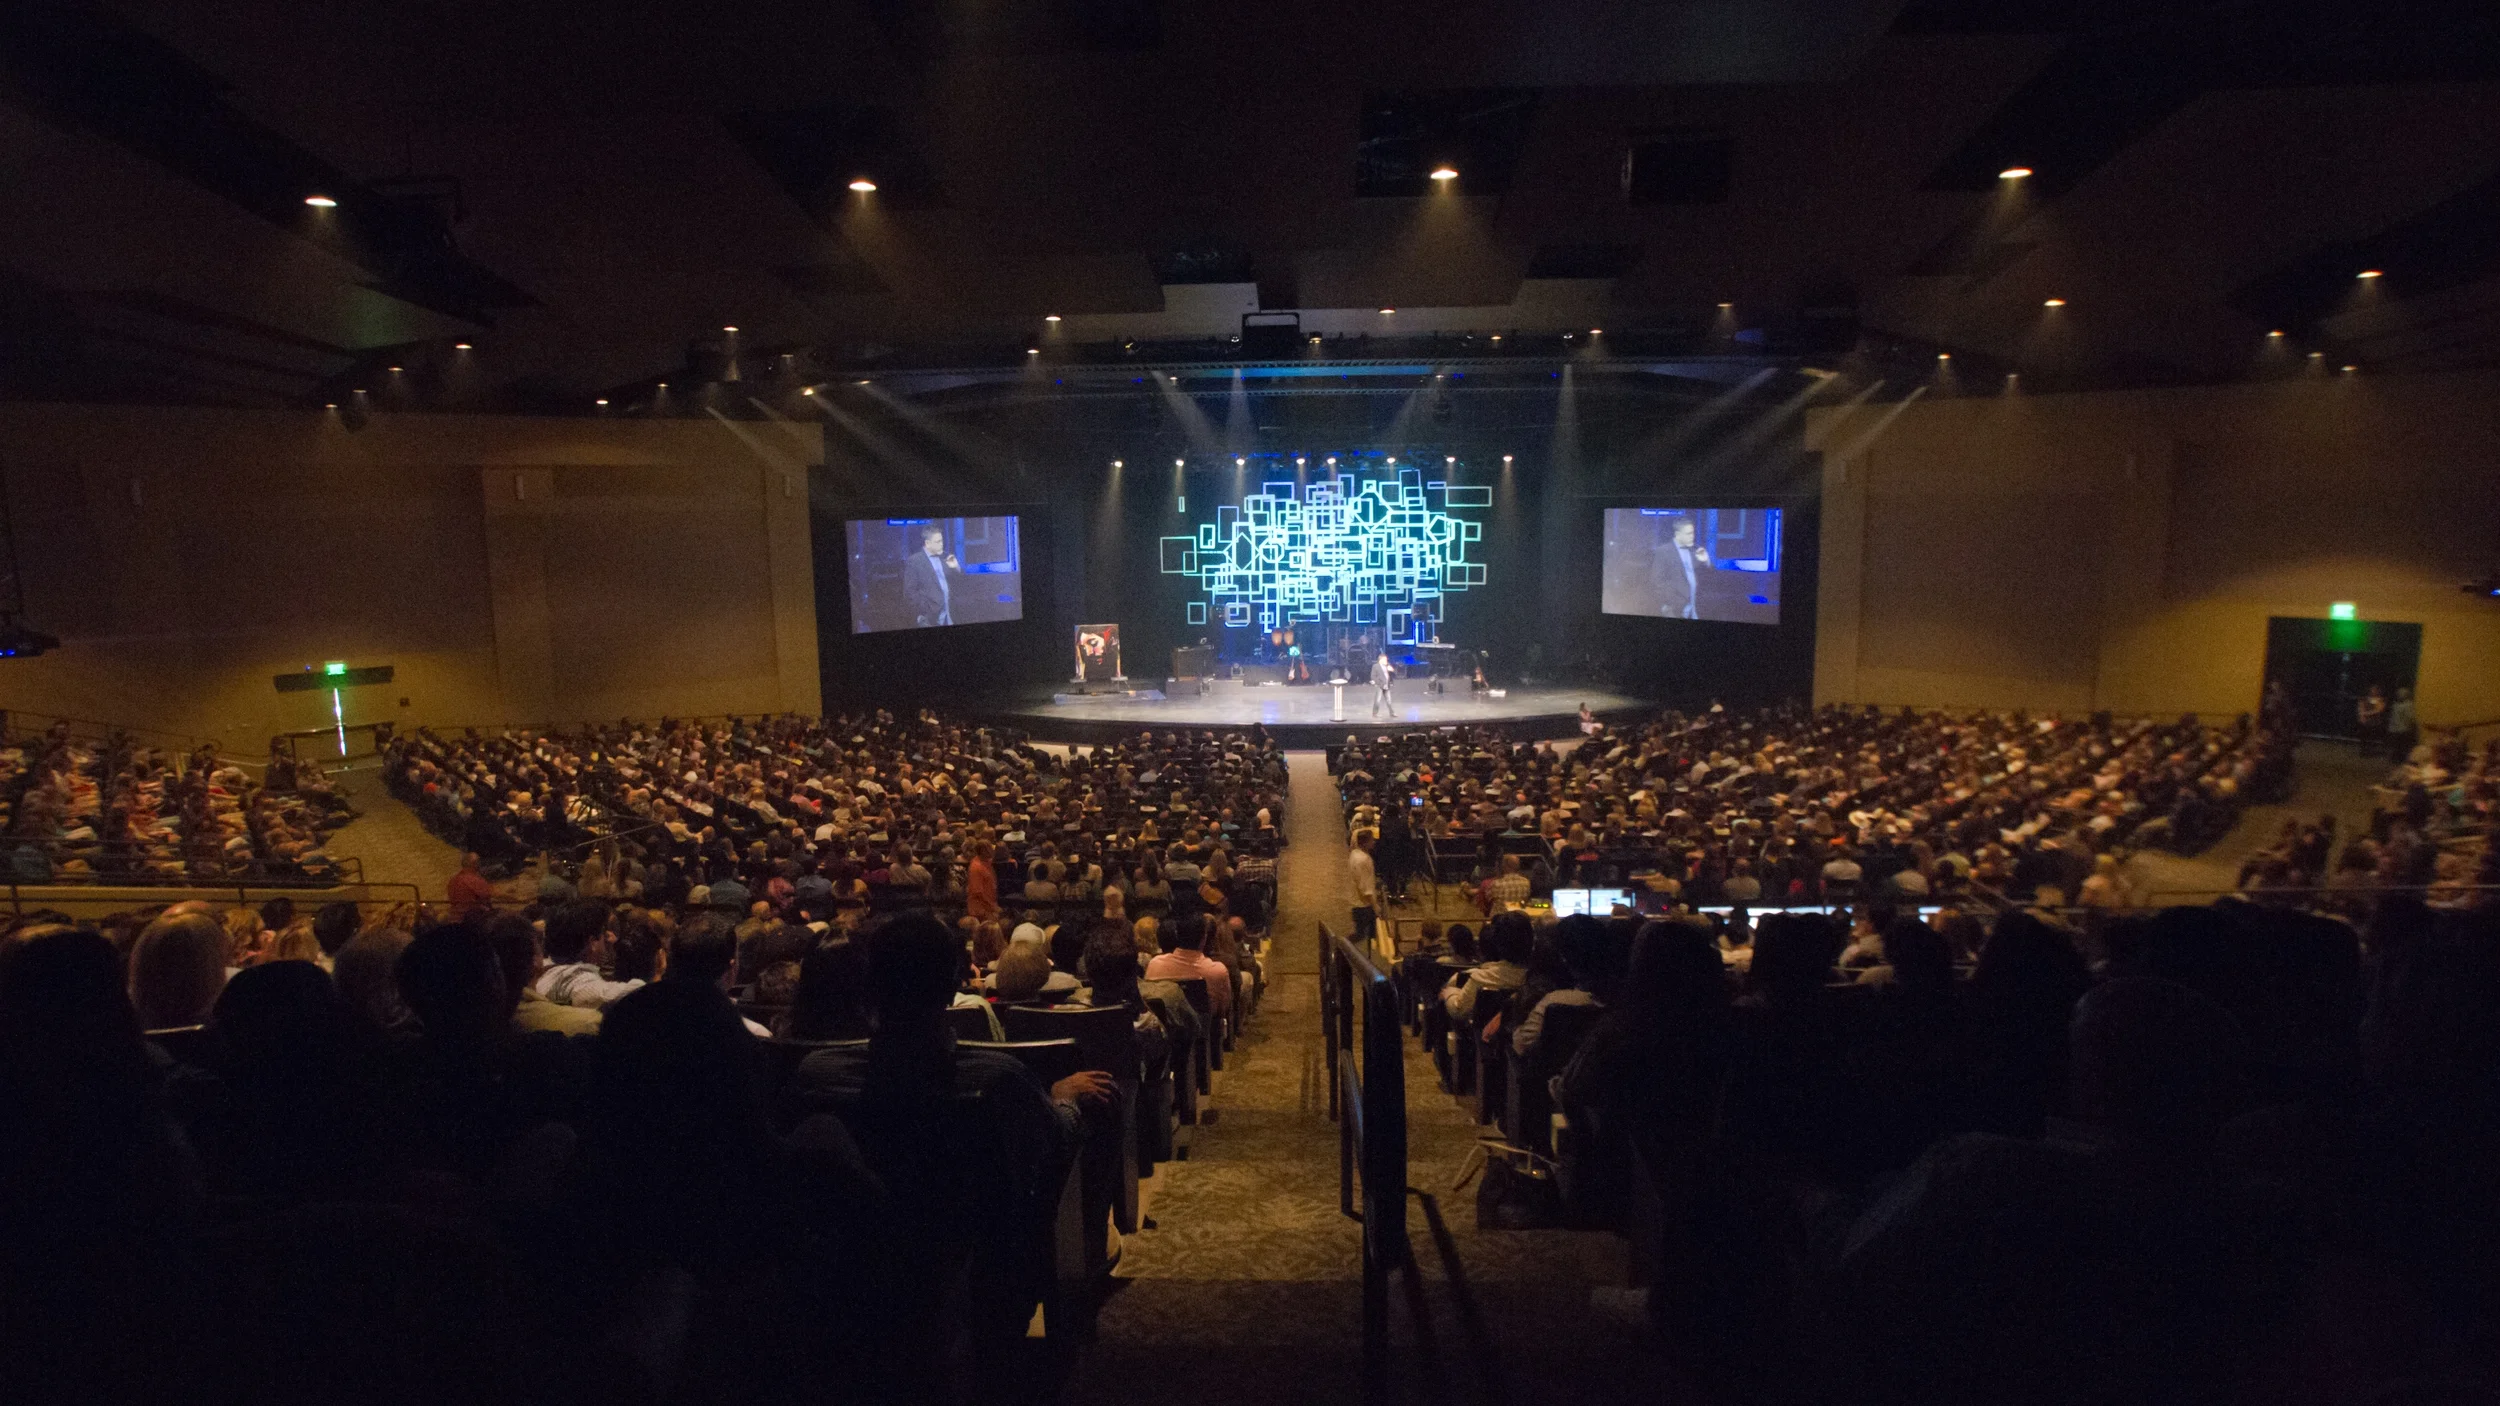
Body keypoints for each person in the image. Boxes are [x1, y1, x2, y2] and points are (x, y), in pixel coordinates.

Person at [1144, 915, 1233, 1022]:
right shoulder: (1217, 970)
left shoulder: (1155, 964)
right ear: (1204, 938)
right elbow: (1224, 1008)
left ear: (1177, 935)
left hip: (1167, 1032)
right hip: (1204, 1034)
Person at [1653, 515, 1710, 620]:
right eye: (1688, 534)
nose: (1692, 536)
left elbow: (1710, 577)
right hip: (1675, 609)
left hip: (1696, 607)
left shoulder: (1695, 549)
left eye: (1693, 533)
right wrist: (1671, 603)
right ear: (1677, 534)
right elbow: (1657, 581)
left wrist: (1706, 561)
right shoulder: (1663, 551)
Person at [903, 524, 961, 627]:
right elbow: (910, 593)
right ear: (927, 543)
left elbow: (959, 584)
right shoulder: (915, 561)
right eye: (938, 542)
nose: (942, 544)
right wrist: (926, 610)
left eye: (942, 541)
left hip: (950, 615)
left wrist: (956, 568)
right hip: (930, 619)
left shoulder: (946, 556)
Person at [1349, 829, 1381, 948]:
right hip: (1364, 904)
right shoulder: (1364, 860)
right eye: (1372, 840)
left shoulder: (1354, 854)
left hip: (1356, 900)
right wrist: (1375, 905)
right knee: (1365, 936)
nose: (1374, 842)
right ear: (1365, 843)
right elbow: (1365, 887)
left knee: (1361, 933)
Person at [447, 851, 494, 917]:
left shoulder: (453, 880)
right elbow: (493, 894)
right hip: (475, 918)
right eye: (478, 861)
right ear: (475, 864)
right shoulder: (474, 879)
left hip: (456, 916)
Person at [1370, 647, 1394, 717]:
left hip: (1387, 685)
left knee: (1389, 700)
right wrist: (1379, 683)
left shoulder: (1387, 666)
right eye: (1385, 659)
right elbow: (1373, 676)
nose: (1386, 661)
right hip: (1380, 686)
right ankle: (1375, 713)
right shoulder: (1376, 666)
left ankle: (1392, 713)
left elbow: (1391, 674)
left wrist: (1391, 670)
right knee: (1377, 700)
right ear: (1381, 660)